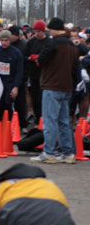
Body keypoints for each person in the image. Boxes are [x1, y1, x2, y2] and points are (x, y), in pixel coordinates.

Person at [31, 17, 80, 164]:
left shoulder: (52, 43)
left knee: (50, 121)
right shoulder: (72, 46)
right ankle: (68, 153)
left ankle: (48, 152)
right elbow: (75, 68)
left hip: (52, 86)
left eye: (50, 29)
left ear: (54, 29)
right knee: (64, 121)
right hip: (67, 87)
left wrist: (37, 59)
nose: (49, 32)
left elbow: (42, 59)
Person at [0, 30, 24, 119]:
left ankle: (11, 124)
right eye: (2, 40)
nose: (4, 43)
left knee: (8, 103)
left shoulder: (16, 53)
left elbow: (19, 71)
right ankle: (0, 125)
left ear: (10, 40)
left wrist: (16, 86)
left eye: (6, 40)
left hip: (10, 82)